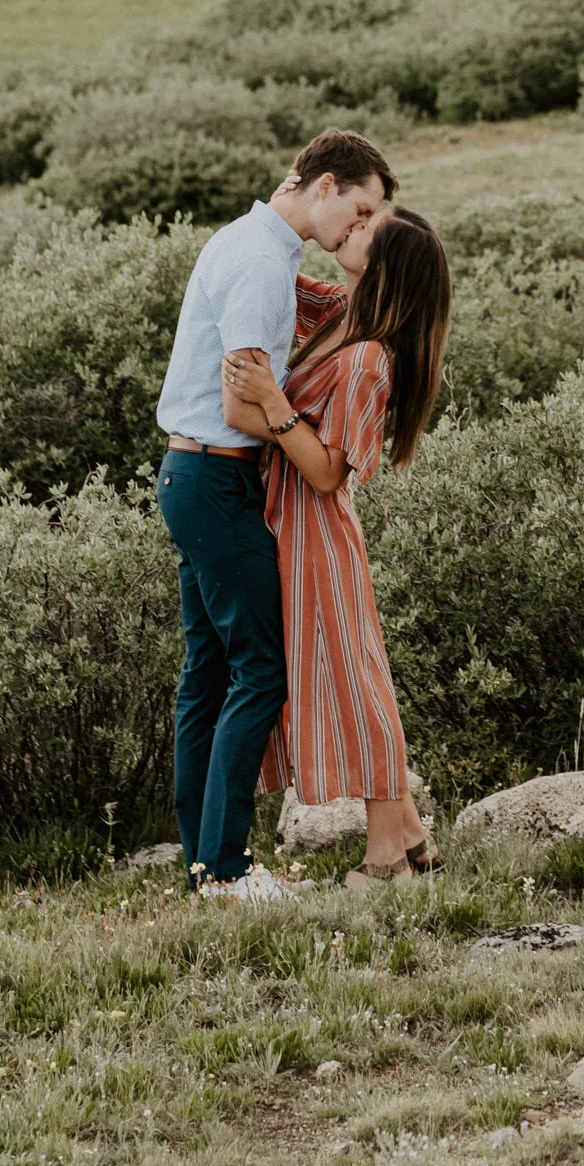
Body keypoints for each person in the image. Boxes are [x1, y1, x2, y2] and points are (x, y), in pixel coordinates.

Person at [155, 130, 396, 898]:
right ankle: (225, 868)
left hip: (190, 474)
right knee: (258, 671)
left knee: (209, 676)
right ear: (323, 185)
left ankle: (203, 863)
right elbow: (240, 400)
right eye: (356, 210)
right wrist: (297, 424)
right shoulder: (263, 262)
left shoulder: (251, 243)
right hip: (219, 479)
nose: (353, 229)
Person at [223, 202, 451, 887]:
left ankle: (386, 859)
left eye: (363, 231)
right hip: (284, 520)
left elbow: (325, 472)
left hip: (314, 530)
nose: (348, 229)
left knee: (354, 682)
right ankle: (409, 837)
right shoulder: (338, 314)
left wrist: (270, 397)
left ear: (383, 265)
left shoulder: (366, 361)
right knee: (351, 676)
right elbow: (269, 269)